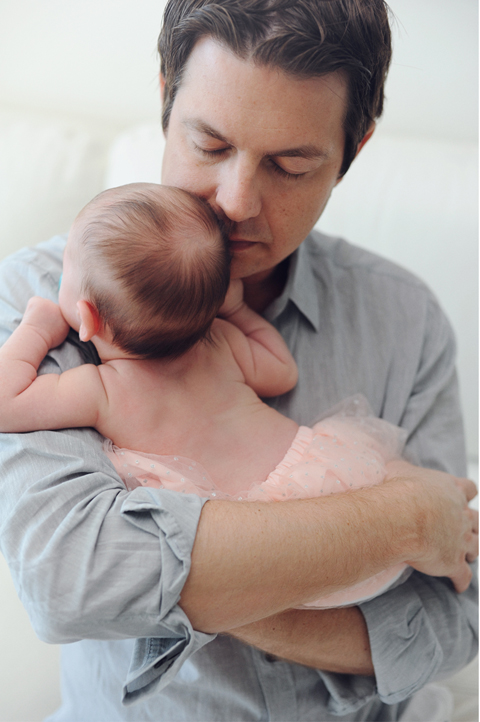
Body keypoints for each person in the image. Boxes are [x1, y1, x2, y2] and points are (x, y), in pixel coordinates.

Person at [0, 2, 478, 719]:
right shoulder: (42, 296)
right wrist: (396, 522)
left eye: (290, 166)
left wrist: (199, 582)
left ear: (354, 150)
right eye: (211, 145)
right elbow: (71, 584)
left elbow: (450, 626)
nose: (236, 202)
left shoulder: (403, 318)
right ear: (166, 95)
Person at [0, 182, 417, 610]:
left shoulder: (100, 389)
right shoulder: (221, 344)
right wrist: (237, 312)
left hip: (242, 541)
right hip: (325, 486)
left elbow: (6, 403)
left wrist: (35, 328)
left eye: (65, 275)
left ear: (86, 318)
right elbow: (282, 372)